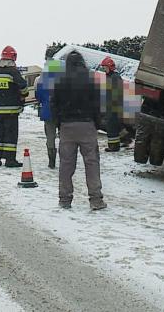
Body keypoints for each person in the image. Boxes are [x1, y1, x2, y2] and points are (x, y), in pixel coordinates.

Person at [51, 50, 106, 210]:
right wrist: (96, 123)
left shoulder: (60, 81)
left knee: (66, 164)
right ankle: (96, 200)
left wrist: (59, 123)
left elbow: (54, 105)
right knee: (92, 163)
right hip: (86, 125)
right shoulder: (90, 80)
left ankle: (65, 199)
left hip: (67, 127)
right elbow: (97, 105)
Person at [0, 45, 28, 167]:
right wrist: (23, 95)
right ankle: (10, 160)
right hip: (11, 110)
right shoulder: (13, 72)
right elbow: (23, 87)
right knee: (10, 134)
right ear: (13, 58)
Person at [35, 59, 62, 169]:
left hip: (47, 112)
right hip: (61, 113)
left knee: (50, 137)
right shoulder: (62, 80)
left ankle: (52, 160)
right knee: (64, 137)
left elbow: (38, 96)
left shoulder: (42, 81)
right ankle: (65, 158)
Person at [100, 56, 124, 152]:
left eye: (105, 67)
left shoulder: (114, 77)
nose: (104, 69)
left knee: (112, 126)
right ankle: (115, 144)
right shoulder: (111, 76)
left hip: (113, 106)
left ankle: (113, 147)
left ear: (110, 67)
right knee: (112, 125)